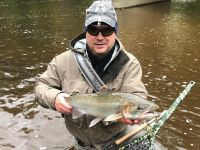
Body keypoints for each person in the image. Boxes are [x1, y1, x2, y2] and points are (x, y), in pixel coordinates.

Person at [34, 1, 147, 150]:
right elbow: (40, 87)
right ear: (85, 32)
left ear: (115, 31)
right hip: (82, 144)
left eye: (106, 30)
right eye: (93, 30)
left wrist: (131, 115)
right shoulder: (62, 61)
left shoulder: (129, 63)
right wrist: (55, 98)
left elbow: (137, 95)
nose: (100, 37)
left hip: (117, 140)